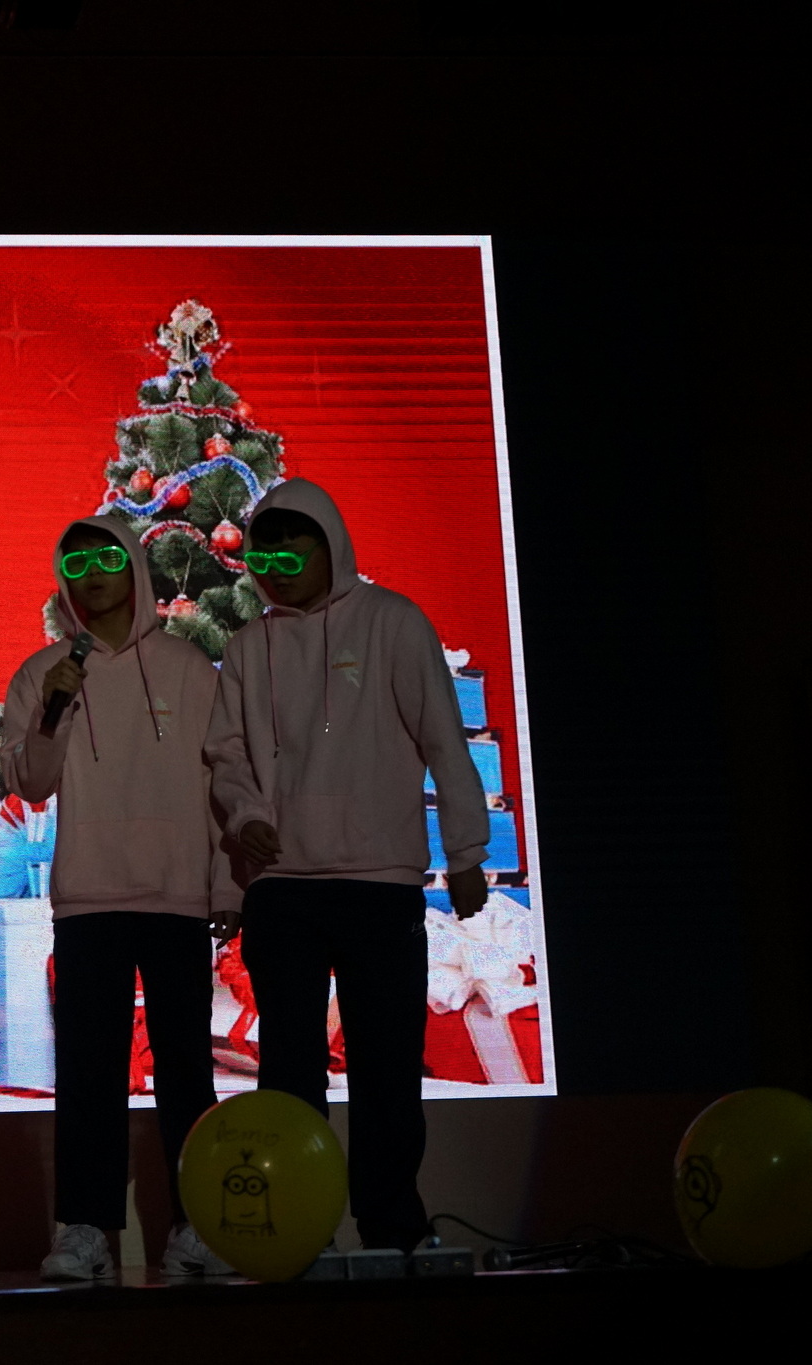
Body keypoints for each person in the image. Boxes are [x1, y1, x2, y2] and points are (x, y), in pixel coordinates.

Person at [203, 478, 490, 1253]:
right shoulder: (248, 646)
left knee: (386, 1065)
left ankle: (391, 1224)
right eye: (263, 557)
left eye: (293, 551)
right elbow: (225, 756)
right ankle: (301, 1227)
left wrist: (467, 851)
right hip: (283, 888)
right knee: (289, 1071)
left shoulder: (393, 621)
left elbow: (443, 739)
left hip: (379, 879)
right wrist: (248, 817)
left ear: (330, 542)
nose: (277, 569)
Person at [0, 517, 240, 1283]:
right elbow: (30, 781)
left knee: (187, 1073)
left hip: (176, 895)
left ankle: (196, 1224)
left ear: (133, 564)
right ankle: (85, 1228)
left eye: (107, 557)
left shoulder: (187, 667)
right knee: (89, 1073)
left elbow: (223, 779)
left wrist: (227, 881)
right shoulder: (43, 672)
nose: (94, 574)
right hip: (90, 895)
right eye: (76, 564)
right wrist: (53, 711)